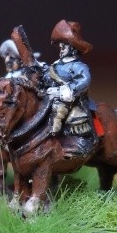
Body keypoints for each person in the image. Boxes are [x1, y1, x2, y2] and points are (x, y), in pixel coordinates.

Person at [44, 20, 96, 158]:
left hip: (73, 100)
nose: (61, 49)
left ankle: (59, 133)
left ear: (72, 48)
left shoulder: (78, 66)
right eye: (60, 46)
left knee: (60, 108)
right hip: (52, 95)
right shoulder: (56, 64)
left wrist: (65, 91)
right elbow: (48, 77)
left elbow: (84, 81)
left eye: (64, 46)